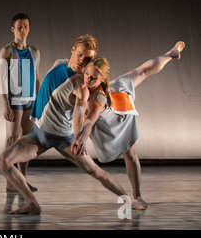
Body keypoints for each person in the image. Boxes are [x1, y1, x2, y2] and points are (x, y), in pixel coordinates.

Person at [0, 34, 129, 215]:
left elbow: (78, 115)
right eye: (80, 54)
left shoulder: (81, 86)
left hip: (63, 138)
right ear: (73, 50)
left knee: (96, 172)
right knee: (3, 161)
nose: (83, 61)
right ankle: (32, 203)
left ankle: (128, 199)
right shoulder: (60, 63)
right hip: (39, 135)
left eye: (88, 58)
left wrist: (78, 138)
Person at [71, 41, 186, 210]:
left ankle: (137, 196)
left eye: (93, 77)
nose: (88, 78)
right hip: (115, 90)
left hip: (118, 115)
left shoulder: (98, 101)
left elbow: (89, 121)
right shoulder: (87, 80)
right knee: (142, 70)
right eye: (87, 73)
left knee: (130, 154)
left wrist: (81, 139)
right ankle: (171, 53)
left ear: (102, 78)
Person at [0, 13, 40, 191]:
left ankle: (22, 179)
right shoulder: (7, 51)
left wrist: (39, 102)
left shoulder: (35, 52)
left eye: (26, 26)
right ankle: (10, 181)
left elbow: (36, 78)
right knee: (12, 139)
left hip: (30, 100)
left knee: (27, 141)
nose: (23, 29)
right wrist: (5, 103)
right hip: (15, 100)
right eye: (19, 26)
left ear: (29, 28)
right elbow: (1, 79)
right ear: (13, 29)